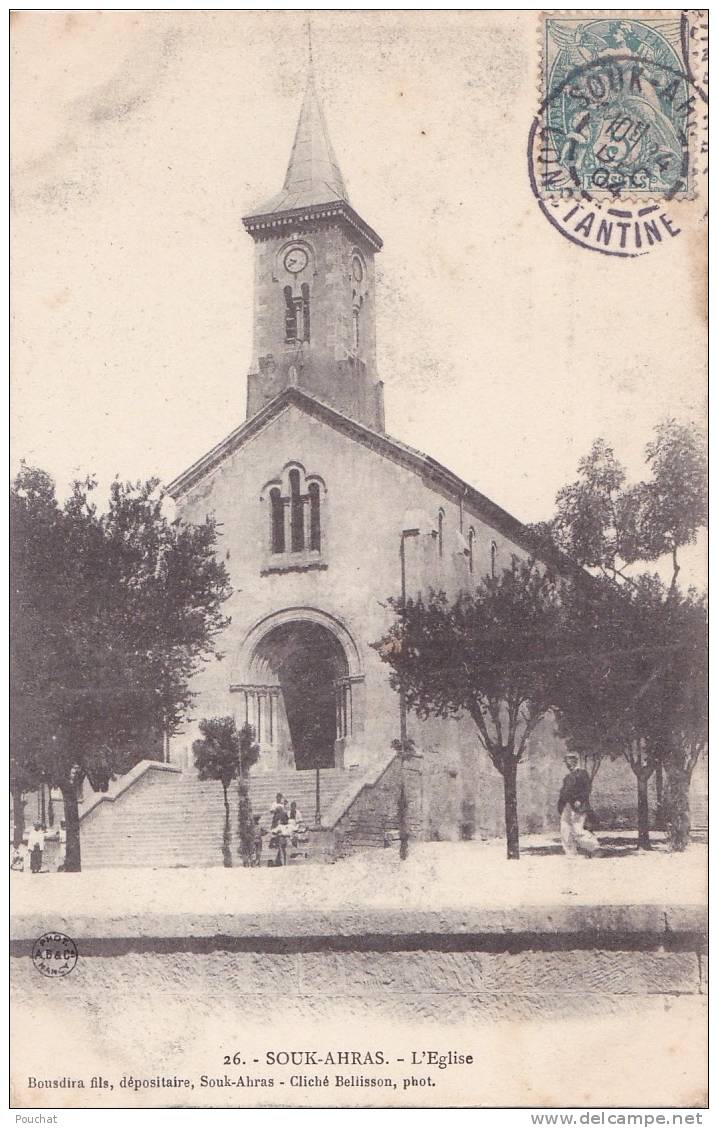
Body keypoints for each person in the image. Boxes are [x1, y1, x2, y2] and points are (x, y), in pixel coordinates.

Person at [558, 753, 599, 857]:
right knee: (565, 829)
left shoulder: (582, 774)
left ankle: (594, 848)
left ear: (575, 761)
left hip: (578, 806)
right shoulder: (567, 777)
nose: (569, 764)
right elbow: (564, 792)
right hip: (567, 806)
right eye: (567, 762)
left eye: (571, 762)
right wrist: (561, 805)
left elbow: (587, 789)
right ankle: (571, 853)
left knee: (578, 830)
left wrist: (580, 800)